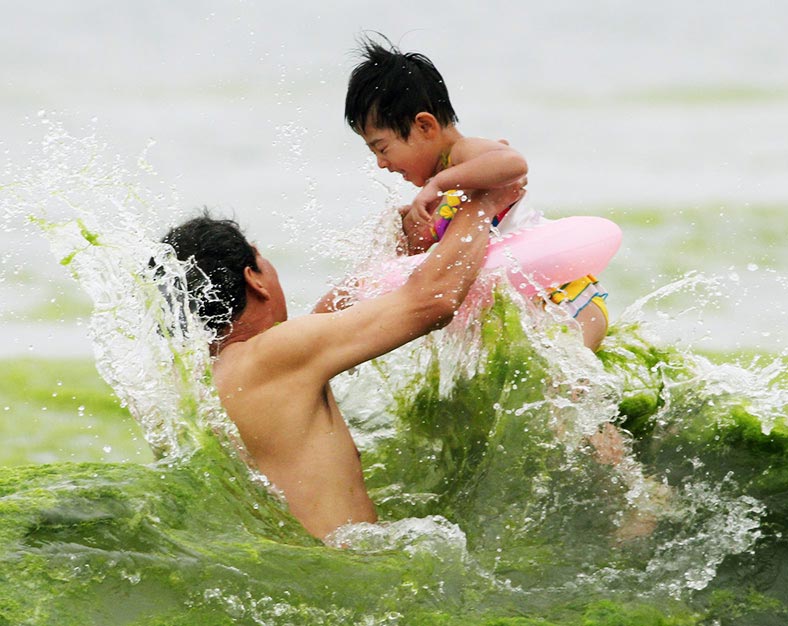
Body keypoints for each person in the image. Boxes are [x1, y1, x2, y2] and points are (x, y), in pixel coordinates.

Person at [161, 185, 521, 541]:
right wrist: (481, 204)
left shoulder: (201, 382)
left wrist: (403, 252)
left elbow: (334, 314)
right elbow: (433, 302)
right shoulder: (273, 355)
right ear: (253, 278)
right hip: (349, 564)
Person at [344, 34, 610, 351]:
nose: (381, 163)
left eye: (382, 147)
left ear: (425, 126)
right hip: (527, 308)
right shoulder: (447, 192)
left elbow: (513, 162)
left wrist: (438, 184)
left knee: (568, 388)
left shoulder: (464, 153)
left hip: (565, 296)